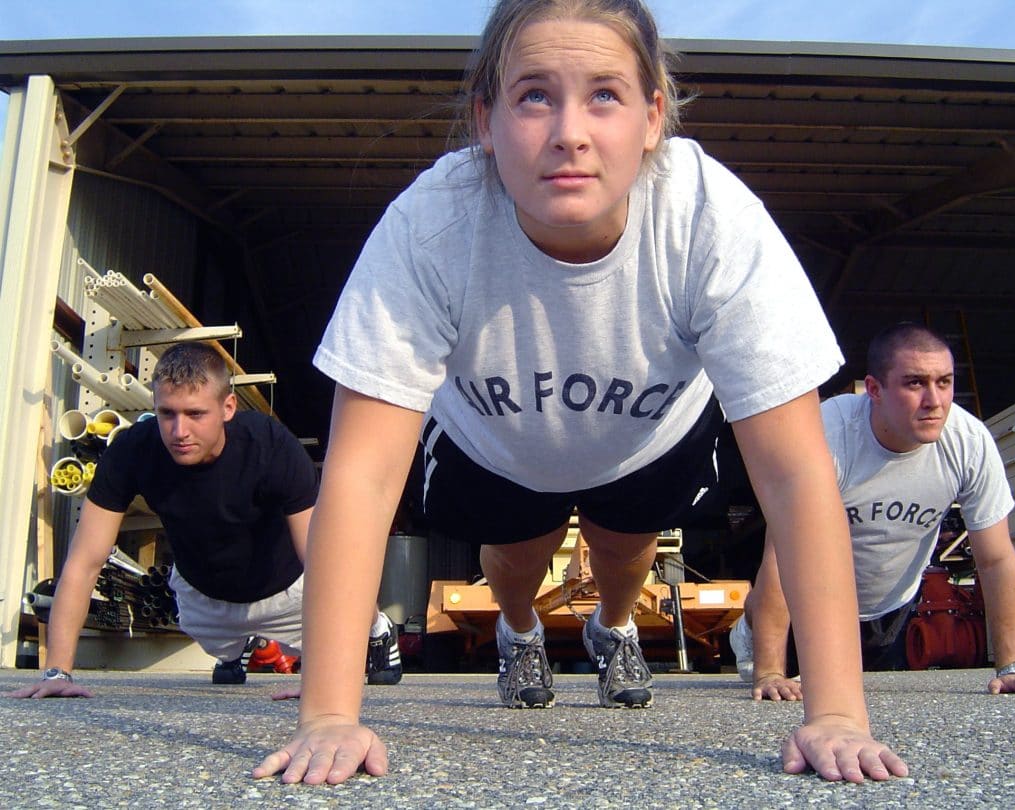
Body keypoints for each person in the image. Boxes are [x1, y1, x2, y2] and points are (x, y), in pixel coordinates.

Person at [255, 0, 908, 786]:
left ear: (652, 116)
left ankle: (613, 625)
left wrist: (836, 713)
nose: (570, 131)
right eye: (535, 95)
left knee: (624, 549)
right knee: (517, 555)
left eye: (605, 94)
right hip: (494, 442)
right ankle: (520, 631)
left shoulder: (710, 218)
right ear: (485, 121)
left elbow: (796, 474)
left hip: (645, 437)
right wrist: (330, 714)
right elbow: (360, 475)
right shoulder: (432, 226)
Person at [3, 342, 401, 698]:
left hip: (288, 594)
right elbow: (84, 561)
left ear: (228, 408)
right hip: (203, 600)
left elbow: (323, 563)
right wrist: (57, 672)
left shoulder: (271, 447)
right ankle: (237, 647)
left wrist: (320, 682)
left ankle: (378, 631)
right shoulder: (132, 452)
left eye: (195, 413)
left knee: (342, 561)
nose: (179, 431)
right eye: (167, 413)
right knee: (218, 640)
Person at [730, 322, 1015, 701]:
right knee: (784, 695)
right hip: (812, 600)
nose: (934, 401)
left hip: (892, 604)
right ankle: (750, 628)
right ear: (874, 389)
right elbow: (781, 556)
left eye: (944, 381)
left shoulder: (968, 443)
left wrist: (1011, 668)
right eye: (915, 383)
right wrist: (770, 670)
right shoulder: (828, 433)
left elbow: (996, 558)